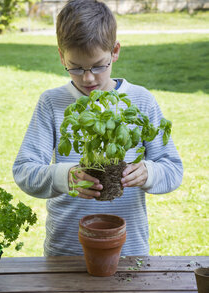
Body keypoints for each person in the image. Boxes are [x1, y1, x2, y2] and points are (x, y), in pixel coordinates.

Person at [13, 0, 183, 256]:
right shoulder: (52, 103)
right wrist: (64, 176)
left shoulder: (140, 100)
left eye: (98, 66)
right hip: (66, 251)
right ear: (61, 56)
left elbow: (172, 168)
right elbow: (24, 171)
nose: (88, 77)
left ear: (114, 51)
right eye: (76, 67)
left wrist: (149, 173)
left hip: (128, 250)